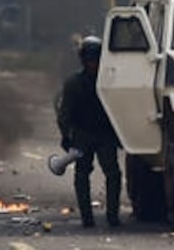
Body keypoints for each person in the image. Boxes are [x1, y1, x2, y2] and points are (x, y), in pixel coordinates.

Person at [56, 35, 121, 228]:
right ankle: (90, 218)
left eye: (95, 58)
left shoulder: (105, 82)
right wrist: (67, 135)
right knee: (85, 174)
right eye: (89, 58)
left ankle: (111, 216)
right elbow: (65, 113)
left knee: (111, 174)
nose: (92, 62)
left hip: (102, 134)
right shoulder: (77, 83)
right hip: (86, 134)